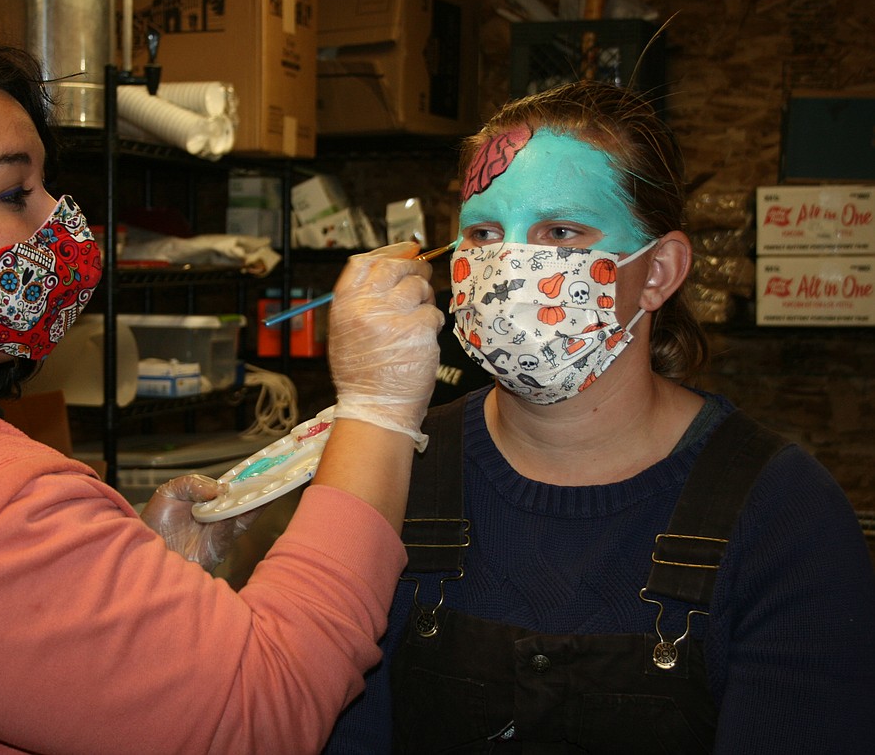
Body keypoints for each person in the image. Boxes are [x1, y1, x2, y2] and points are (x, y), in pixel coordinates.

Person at [0, 28, 446, 753]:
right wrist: (378, 412)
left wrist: (108, 594)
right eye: (13, 193)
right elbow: (265, 711)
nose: (62, 223)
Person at [325, 80, 875, 753]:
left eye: (561, 232)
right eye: (484, 232)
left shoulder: (784, 514)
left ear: (658, 271)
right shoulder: (390, 470)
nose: (509, 266)